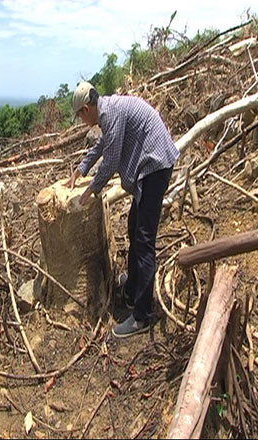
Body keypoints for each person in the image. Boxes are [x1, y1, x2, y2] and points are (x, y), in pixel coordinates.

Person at [65, 81, 179, 338]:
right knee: (133, 225)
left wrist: (90, 190)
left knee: (144, 238)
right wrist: (81, 168)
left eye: (80, 117)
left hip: (156, 166)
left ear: (86, 109)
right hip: (151, 166)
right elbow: (103, 146)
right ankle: (132, 289)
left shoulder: (110, 113)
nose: (82, 122)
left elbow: (111, 160)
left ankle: (142, 316)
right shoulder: (108, 111)